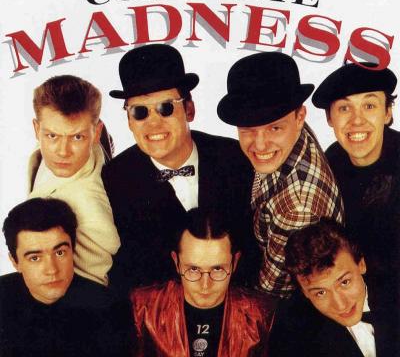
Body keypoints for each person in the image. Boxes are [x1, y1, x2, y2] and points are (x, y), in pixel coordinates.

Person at [102, 44, 258, 298]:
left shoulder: (237, 158)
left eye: (166, 107)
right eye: (140, 112)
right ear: (129, 121)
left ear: (189, 109)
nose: (153, 123)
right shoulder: (114, 179)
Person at [217, 51, 344, 299]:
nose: (260, 145)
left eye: (274, 128)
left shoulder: (297, 208)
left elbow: (270, 294)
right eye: (248, 129)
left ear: (300, 117)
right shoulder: (293, 131)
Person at [312, 62, 400, 310]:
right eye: (344, 108)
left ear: (387, 113)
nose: (356, 120)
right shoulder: (331, 162)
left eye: (369, 106)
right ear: (330, 118)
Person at [131, 208, 275, 357]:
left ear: (234, 263)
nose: (205, 285)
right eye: (193, 269)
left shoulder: (261, 315)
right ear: (176, 262)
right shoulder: (142, 308)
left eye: (217, 269)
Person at [0, 198, 131, 357]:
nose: (52, 270)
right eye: (35, 258)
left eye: (60, 252)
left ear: (72, 250)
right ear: (15, 262)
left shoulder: (109, 309)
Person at [28, 75, 120, 285]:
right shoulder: (86, 143)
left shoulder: (90, 208)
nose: (63, 152)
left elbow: (91, 286)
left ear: (96, 133)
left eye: (77, 137)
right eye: (52, 136)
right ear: (36, 129)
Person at [268, 219, 397, 357]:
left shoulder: (394, 287)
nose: (341, 306)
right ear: (304, 292)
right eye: (321, 293)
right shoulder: (291, 337)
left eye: (345, 282)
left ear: (361, 265)